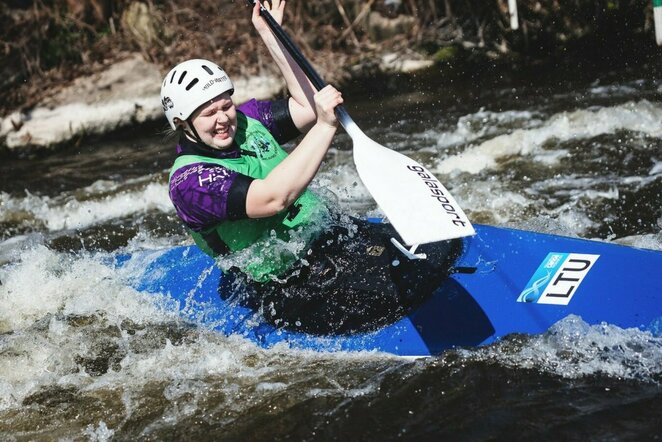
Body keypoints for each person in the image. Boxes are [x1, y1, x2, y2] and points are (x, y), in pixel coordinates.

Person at [160, 0, 461, 335]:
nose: (223, 119)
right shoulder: (190, 182)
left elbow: (306, 106)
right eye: (208, 114)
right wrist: (326, 127)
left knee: (444, 244)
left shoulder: (247, 122)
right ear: (181, 123)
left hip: (332, 237)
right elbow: (272, 199)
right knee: (403, 291)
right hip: (287, 281)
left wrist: (270, 34)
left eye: (225, 106)